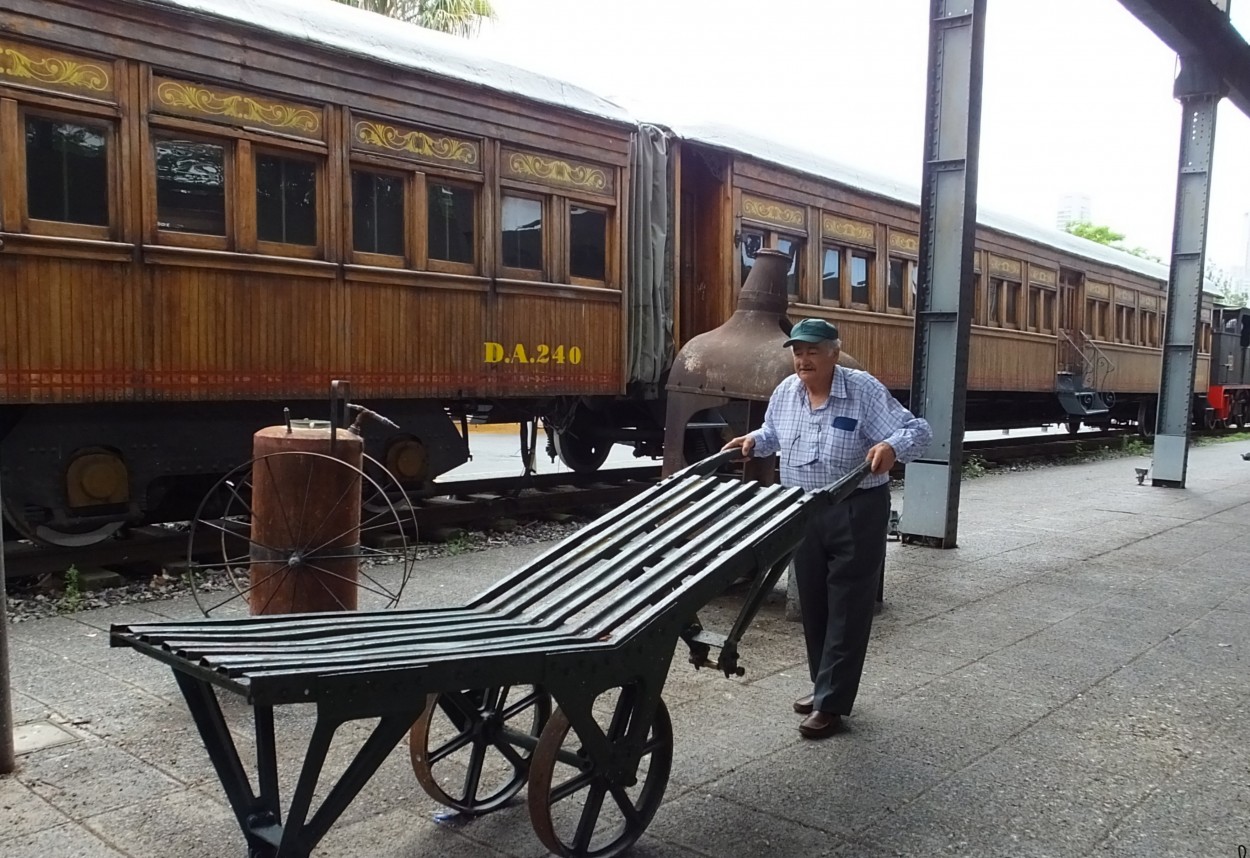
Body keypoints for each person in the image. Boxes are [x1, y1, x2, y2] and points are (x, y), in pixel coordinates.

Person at [722, 318, 931, 739]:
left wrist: (892, 446)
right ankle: (824, 688)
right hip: (803, 510)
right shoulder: (786, 392)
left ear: (834, 352)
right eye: (798, 351)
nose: (804, 359)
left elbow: (918, 430)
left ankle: (832, 703)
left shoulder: (862, 389)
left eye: (813, 350)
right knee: (814, 605)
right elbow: (772, 434)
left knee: (848, 607)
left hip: (856, 508)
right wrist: (753, 442)